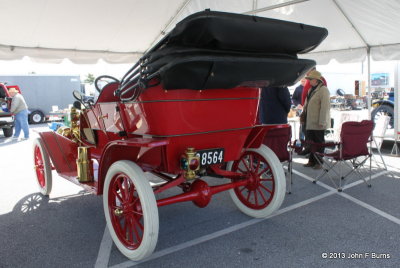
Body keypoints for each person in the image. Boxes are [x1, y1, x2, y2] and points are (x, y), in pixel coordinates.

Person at [302, 70, 330, 169]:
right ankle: (311, 161)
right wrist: (303, 116)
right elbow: (306, 105)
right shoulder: (311, 90)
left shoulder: (323, 90)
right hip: (310, 121)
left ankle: (319, 162)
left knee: (319, 143)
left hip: (318, 122)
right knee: (310, 142)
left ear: (316, 80)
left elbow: (325, 107)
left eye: (310, 79)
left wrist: (322, 121)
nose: (309, 81)